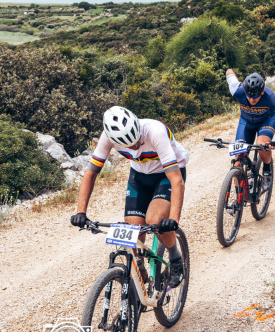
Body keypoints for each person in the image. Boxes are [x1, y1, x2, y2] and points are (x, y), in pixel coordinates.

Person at [70, 106, 189, 289]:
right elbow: (90, 174)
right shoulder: (107, 137)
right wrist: (81, 211)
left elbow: (176, 181)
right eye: (128, 146)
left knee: (155, 220)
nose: (134, 147)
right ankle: (140, 270)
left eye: (136, 142)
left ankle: (175, 257)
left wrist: (173, 219)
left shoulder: (154, 131)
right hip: (139, 175)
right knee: (132, 228)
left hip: (167, 174)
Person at [225, 69, 275, 182]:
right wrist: (230, 71)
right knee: (237, 162)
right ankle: (238, 197)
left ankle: (267, 168)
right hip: (246, 122)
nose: (251, 99)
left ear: (262, 92)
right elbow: (229, 72)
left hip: (266, 121)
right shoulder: (237, 90)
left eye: (255, 97)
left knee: (261, 145)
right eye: (248, 96)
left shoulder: (270, 97)